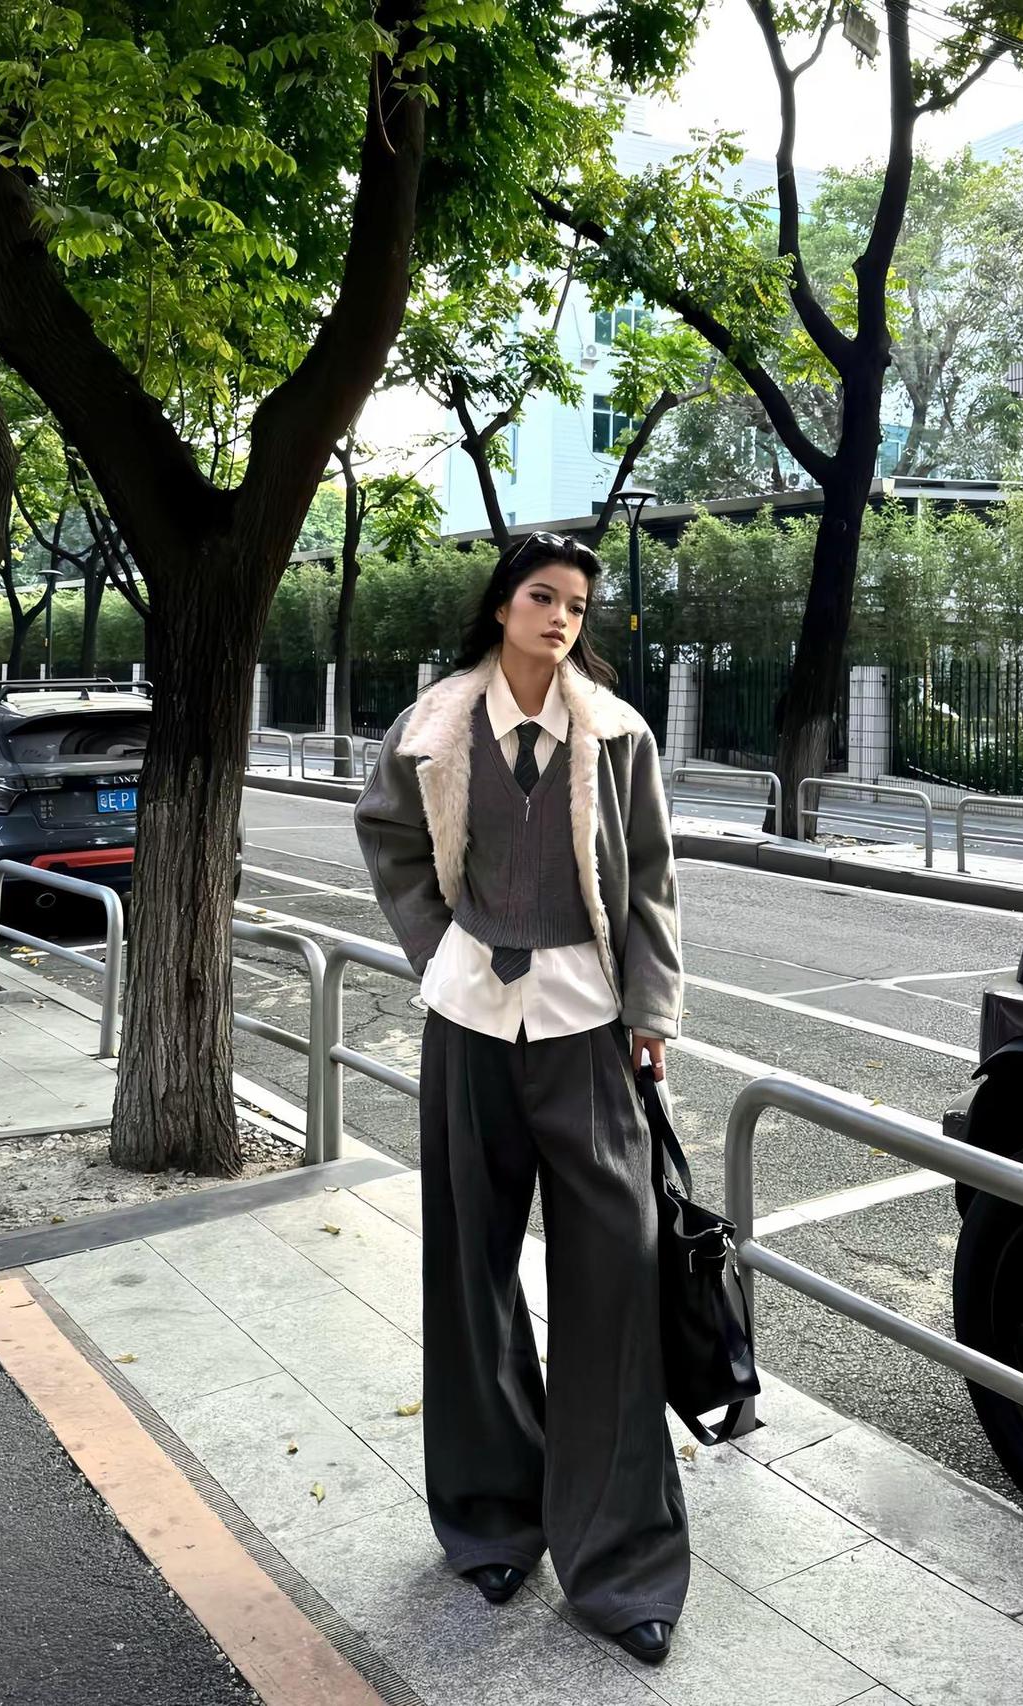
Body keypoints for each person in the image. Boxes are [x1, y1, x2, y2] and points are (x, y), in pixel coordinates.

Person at [353, 531, 689, 1663]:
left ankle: (623, 1563)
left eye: (576, 604)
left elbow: (650, 880)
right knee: (471, 1273)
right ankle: (491, 1519)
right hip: (468, 1027)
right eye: (542, 596)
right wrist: (436, 947)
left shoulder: (617, 733)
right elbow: (389, 836)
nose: (560, 617)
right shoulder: (434, 725)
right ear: (502, 605)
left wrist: (651, 1010)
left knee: (616, 1281)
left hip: (587, 1028)